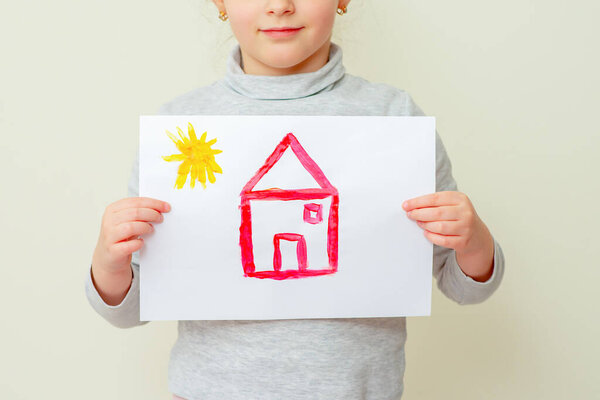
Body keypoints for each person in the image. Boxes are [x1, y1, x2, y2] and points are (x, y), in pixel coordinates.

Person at [85, 1, 505, 399]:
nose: (280, 4)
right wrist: (109, 260)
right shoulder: (179, 131)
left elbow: (462, 287)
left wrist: (473, 239)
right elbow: (131, 309)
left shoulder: (394, 117)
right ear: (219, 2)